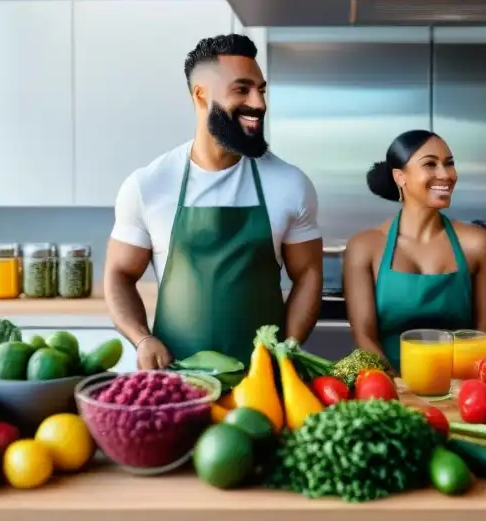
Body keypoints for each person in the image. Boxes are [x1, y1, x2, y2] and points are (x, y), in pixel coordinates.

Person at [104, 33, 324, 370]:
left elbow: (308, 273)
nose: (260, 103)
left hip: (263, 381)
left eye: (261, 90)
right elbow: (119, 272)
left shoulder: (290, 184)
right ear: (200, 94)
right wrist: (142, 338)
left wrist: (286, 351)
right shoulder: (148, 186)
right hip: (177, 381)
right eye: (242, 89)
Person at [343, 130, 486, 370]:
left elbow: (483, 335)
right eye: (430, 164)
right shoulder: (365, 247)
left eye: (449, 164)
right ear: (399, 177)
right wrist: (397, 391)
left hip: (462, 389)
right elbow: (364, 337)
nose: (445, 175)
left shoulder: (477, 244)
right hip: (389, 388)